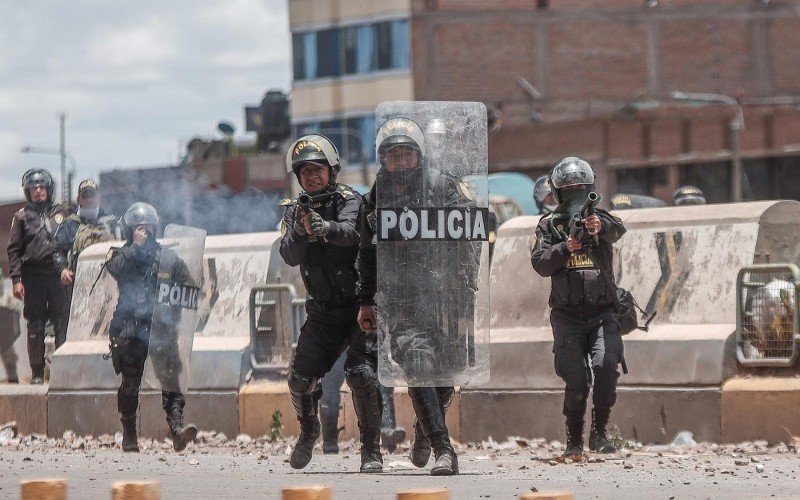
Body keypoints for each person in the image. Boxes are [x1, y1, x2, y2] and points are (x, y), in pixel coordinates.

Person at [357, 116, 472, 476]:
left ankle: (425, 430)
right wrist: (366, 300)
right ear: (383, 160)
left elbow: (474, 232)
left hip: (444, 297)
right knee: (418, 366)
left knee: (445, 377)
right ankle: (444, 449)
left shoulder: (444, 186)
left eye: (408, 154)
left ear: (419, 156)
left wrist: (465, 285)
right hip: (403, 299)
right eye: (394, 156)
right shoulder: (376, 197)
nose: (401, 162)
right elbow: (366, 253)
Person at [279, 134, 383, 473]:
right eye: (305, 171)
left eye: (317, 169)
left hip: (358, 306)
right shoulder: (296, 210)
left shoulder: (350, 199)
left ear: (332, 170)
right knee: (298, 380)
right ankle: (309, 432)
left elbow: (352, 232)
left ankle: (371, 451)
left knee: (361, 373)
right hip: (322, 311)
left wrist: (325, 228)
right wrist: (298, 230)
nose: (312, 176)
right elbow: (290, 256)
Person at [531, 157, 627, 458]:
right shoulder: (548, 226)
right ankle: (574, 440)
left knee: (606, 366)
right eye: (569, 190)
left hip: (602, 313)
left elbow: (618, 229)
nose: (574, 195)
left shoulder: (600, 219)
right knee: (575, 377)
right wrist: (566, 247)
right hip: (567, 316)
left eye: (579, 190)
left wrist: (599, 226)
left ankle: (600, 432)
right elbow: (541, 263)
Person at [105, 202, 198, 453]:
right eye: (138, 228)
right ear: (129, 231)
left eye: (147, 228)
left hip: (161, 327)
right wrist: (136, 247)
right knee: (130, 384)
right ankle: (129, 435)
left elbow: (189, 287)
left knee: (171, 380)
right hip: (131, 329)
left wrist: (177, 315)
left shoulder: (168, 257)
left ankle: (177, 430)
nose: (143, 232)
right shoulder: (120, 254)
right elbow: (115, 270)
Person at [7, 169, 70, 384]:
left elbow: (70, 242)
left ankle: (62, 372)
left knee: (62, 323)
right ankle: (37, 372)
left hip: (58, 275)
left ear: (49, 189)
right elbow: (13, 250)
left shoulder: (61, 213)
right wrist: (16, 280)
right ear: (27, 192)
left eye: (42, 187)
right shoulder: (22, 217)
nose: (38, 191)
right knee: (35, 326)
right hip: (33, 277)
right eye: (34, 188)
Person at [53, 179, 117, 320]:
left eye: (92, 195)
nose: (88, 199)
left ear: (99, 198)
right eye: (85, 196)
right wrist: (62, 269)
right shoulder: (69, 225)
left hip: (107, 285)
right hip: (78, 286)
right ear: (78, 199)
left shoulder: (111, 223)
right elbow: (57, 251)